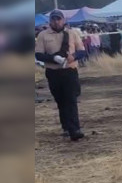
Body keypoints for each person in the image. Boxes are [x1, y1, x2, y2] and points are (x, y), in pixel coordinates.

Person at [34, 10, 86, 141]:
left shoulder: (72, 33)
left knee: (71, 99)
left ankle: (75, 129)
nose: (56, 22)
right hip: (53, 72)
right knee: (61, 100)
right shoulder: (43, 35)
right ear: (50, 21)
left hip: (69, 70)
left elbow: (82, 51)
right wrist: (53, 58)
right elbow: (38, 54)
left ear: (63, 20)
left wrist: (73, 57)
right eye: (53, 19)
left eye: (58, 19)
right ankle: (66, 126)